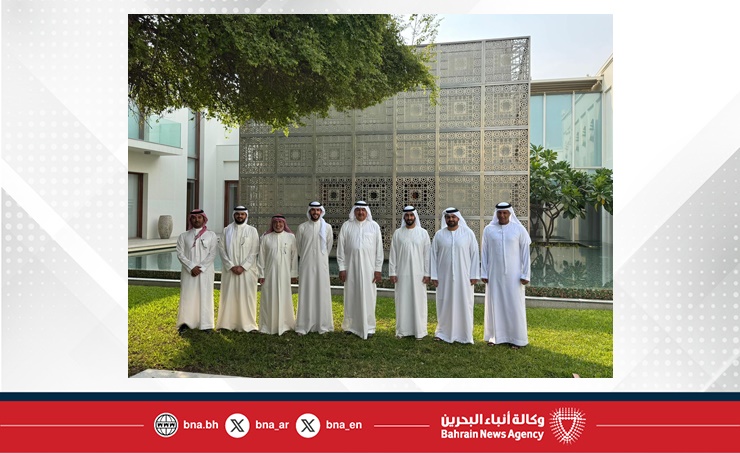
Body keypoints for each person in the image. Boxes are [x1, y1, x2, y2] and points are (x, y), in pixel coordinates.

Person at [481, 202, 532, 349]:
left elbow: (525, 253)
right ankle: (495, 337)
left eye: (505, 213)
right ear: (496, 214)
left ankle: (517, 339)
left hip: (514, 276)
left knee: (514, 305)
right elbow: (484, 252)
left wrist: (525, 274)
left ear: (510, 213)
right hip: (494, 274)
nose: (502, 215)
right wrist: (484, 272)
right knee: (494, 304)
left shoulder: (518, 229)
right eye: (500, 213)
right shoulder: (489, 230)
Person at [430, 207, 480, 344]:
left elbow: (475, 254)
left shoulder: (468, 233)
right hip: (443, 277)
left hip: (464, 277)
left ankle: (465, 335)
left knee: (464, 304)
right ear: (445, 219)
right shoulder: (439, 235)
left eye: (453, 217)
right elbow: (433, 256)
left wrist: (474, 274)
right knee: (444, 304)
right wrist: (434, 275)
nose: (450, 219)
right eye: (448, 217)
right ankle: (442, 333)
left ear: (458, 218)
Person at [336, 201, 384, 339]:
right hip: (351, 268)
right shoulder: (347, 226)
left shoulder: (374, 226)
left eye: (363, 210)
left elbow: (379, 250)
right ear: (354, 211)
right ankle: (350, 326)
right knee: (351, 296)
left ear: (367, 212)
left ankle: (369, 327)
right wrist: (342, 268)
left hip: (369, 269)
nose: (361, 212)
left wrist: (378, 269)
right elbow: (341, 249)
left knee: (369, 297)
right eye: (358, 210)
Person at [389, 205, 431, 340]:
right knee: (402, 301)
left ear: (415, 216)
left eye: (411, 215)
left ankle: (420, 331)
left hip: (419, 275)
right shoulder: (398, 233)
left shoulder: (423, 233)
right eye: (406, 215)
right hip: (402, 273)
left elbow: (427, 255)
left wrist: (427, 273)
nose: (409, 217)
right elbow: (393, 254)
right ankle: (402, 330)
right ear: (404, 217)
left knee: (419, 302)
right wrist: (392, 272)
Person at [216, 205, 260, 332]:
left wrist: (243, 267)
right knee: (229, 296)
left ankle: (249, 325)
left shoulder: (252, 231)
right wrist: (231, 266)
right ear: (234, 215)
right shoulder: (226, 230)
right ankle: (226, 324)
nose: (240, 216)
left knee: (247, 297)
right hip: (230, 271)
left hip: (247, 271)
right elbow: (221, 249)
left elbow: (254, 251)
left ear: (246, 215)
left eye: (242, 214)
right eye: (237, 214)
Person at [176, 208, 218, 333]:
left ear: (204, 219)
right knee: (187, 295)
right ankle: (185, 323)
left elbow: (212, 253)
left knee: (205, 296)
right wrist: (191, 267)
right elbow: (180, 254)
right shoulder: (183, 236)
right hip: (189, 272)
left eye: (199, 217)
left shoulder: (211, 235)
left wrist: (201, 268)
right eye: (194, 218)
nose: (197, 220)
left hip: (206, 272)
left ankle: (206, 324)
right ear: (190, 220)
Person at [295, 201, 335, 335]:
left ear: (321, 212)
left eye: (318, 210)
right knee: (306, 292)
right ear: (309, 211)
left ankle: (322, 325)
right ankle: (304, 325)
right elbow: (299, 247)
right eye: (313, 210)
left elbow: (328, 246)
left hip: (321, 265)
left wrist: (320, 258)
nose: (315, 213)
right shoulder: (302, 227)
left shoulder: (327, 227)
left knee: (322, 292)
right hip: (306, 264)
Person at [257, 215, 298, 335]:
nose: (278, 224)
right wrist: (261, 274)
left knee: (284, 297)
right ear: (272, 224)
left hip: (285, 274)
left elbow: (294, 256)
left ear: (284, 224)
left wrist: (293, 274)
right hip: (269, 274)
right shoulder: (266, 238)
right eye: (275, 222)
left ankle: (285, 325)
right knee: (269, 298)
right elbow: (261, 257)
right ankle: (267, 325)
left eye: (280, 222)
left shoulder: (291, 237)